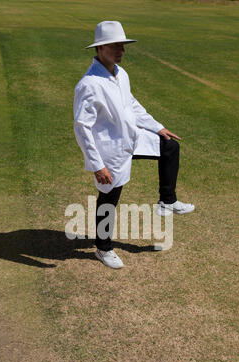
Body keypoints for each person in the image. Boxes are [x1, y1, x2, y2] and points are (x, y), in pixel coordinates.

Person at [74, 21, 195, 269]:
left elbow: (133, 106)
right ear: (99, 49)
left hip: (132, 137)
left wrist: (158, 127)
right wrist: (98, 165)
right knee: (109, 197)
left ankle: (167, 201)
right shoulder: (89, 84)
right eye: (115, 46)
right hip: (109, 150)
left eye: (123, 45)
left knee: (169, 146)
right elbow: (82, 127)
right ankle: (103, 248)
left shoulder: (121, 73)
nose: (121, 50)